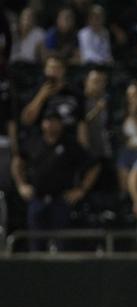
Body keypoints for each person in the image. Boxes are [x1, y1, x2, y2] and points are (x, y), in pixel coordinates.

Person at [11, 110, 99, 251]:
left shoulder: (70, 144)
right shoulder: (34, 142)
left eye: (55, 121)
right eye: (48, 121)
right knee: (36, 245)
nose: (51, 125)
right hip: (37, 198)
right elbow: (17, 162)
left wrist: (82, 189)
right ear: (42, 124)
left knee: (63, 244)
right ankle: (36, 272)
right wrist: (21, 185)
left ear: (61, 124)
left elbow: (93, 166)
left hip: (61, 200)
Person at [19, 56, 87, 146]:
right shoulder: (36, 92)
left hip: (69, 143)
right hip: (43, 145)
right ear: (45, 70)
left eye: (57, 68)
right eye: (51, 68)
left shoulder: (74, 93)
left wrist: (84, 147)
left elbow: (81, 123)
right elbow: (27, 120)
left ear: (64, 70)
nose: (54, 72)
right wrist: (41, 96)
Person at [82, 69, 113, 187]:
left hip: (103, 151)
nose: (99, 85)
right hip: (87, 152)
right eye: (95, 81)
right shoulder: (81, 100)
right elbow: (82, 122)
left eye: (102, 82)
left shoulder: (105, 101)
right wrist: (97, 110)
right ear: (87, 82)